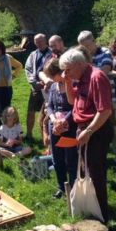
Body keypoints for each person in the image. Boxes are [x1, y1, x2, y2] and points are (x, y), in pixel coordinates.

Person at [60, 48, 114, 223]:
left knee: (95, 171)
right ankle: (90, 208)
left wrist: (89, 131)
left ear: (79, 64)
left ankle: (102, 216)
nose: (65, 73)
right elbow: (71, 100)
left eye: (68, 69)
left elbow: (105, 110)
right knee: (85, 169)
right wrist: (67, 82)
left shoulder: (96, 77)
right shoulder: (79, 77)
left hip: (96, 131)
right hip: (83, 129)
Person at [78, 30, 116, 167]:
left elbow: (103, 71)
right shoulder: (81, 55)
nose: (86, 49)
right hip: (88, 99)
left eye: (87, 46)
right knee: (94, 129)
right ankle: (99, 158)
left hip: (106, 97)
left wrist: (88, 66)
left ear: (93, 41)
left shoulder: (104, 52)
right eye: (83, 47)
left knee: (113, 128)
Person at [44, 58, 78, 199]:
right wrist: (53, 120)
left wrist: (64, 120)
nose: (51, 79)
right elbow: (50, 106)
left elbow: (75, 106)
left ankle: (73, 187)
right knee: (57, 158)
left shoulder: (72, 85)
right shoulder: (53, 87)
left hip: (69, 127)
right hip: (55, 126)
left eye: (53, 75)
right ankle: (61, 186)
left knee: (71, 158)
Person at [25, 33, 53, 138]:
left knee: (47, 111)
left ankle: (46, 135)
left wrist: (47, 82)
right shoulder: (33, 54)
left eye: (41, 41)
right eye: (37, 42)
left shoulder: (52, 53)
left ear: (45, 41)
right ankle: (29, 134)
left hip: (48, 87)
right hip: (36, 86)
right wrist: (33, 82)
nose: (39, 43)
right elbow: (28, 69)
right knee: (30, 110)